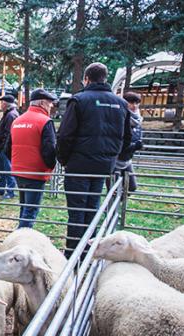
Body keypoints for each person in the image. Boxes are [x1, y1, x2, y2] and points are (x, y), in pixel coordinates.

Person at [58, 62, 132, 257]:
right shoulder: (121, 103)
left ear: (87, 79)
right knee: (92, 208)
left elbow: (65, 135)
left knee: (76, 212)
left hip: (79, 165)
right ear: (105, 78)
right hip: (104, 166)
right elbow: (127, 137)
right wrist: (114, 159)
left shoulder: (79, 100)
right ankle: (89, 250)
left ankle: (74, 255)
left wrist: (64, 159)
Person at [6, 89, 58, 229]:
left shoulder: (17, 120)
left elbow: (7, 148)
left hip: (18, 172)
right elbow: (49, 150)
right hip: (36, 173)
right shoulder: (45, 121)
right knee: (30, 212)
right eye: (49, 103)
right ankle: (21, 241)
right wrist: (50, 167)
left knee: (24, 208)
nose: (51, 106)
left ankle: (19, 237)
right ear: (42, 103)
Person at [113, 91, 143, 192]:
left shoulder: (137, 120)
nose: (134, 105)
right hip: (115, 160)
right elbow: (117, 141)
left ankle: (119, 205)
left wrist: (136, 145)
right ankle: (111, 207)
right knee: (114, 191)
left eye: (136, 103)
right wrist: (134, 146)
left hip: (127, 159)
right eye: (131, 102)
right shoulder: (119, 118)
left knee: (131, 187)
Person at [0, 94, 19, 199]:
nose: (1, 104)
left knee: (8, 170)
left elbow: (8, 134)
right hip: (2, 147)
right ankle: (0, 189)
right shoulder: (8, 114)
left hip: (5, 148)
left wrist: (3, 147)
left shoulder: (11, 115)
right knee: (2, 170)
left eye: (2, 102)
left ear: (6, 104)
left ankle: (10, 191)